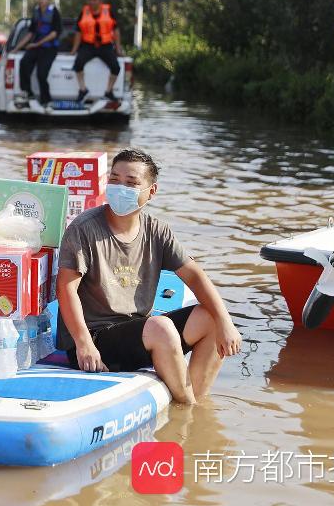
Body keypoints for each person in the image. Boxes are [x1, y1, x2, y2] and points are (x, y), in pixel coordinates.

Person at [56, 148, 242, 404]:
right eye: (115, 180)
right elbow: (66, 288)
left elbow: (195, 276)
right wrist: (84, 343)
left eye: (131, 183)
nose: (121, 187)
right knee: (161, 326)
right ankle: (188, 410)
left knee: (211, 316)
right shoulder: (83, 229)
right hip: (96, 338)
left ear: (151, 191)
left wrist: (225, 322)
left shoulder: (157, 231)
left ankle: (194, 399)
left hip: (139, 331)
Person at [11, 0, 62, 110]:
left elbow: (54, 33)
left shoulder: (54, 12)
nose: (41, 0)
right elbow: (30, 33)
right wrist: (17, 48)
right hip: (36, 46)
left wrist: (36, 44)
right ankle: (27, 92)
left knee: (41, 74)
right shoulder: (36, 12)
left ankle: (47, 100)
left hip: (49, 48)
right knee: (24, 62)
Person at [70, 0, 123, 103]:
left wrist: (118, 48)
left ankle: (108, 91)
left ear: (100, 0)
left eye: (94, 0)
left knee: (116, 67)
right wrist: (74, 49)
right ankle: (83, 90)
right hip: (88, 45)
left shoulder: (108, 11)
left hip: (105, 45)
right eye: (89, 0)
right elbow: (78, 32)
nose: (92, 2)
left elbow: (116, 30)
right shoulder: (83, 12)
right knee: (78, 64)